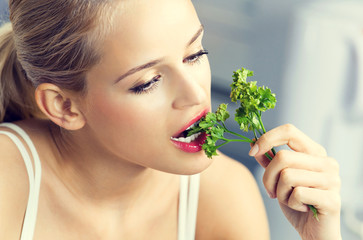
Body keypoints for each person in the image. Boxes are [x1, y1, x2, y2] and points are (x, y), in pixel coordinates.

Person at [0, 0, 341, 239]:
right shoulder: (7, 183)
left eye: (195, 54)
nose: (194, 95)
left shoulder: (225, 195)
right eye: (147, 82)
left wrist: (320, 238)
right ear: (64, 106)